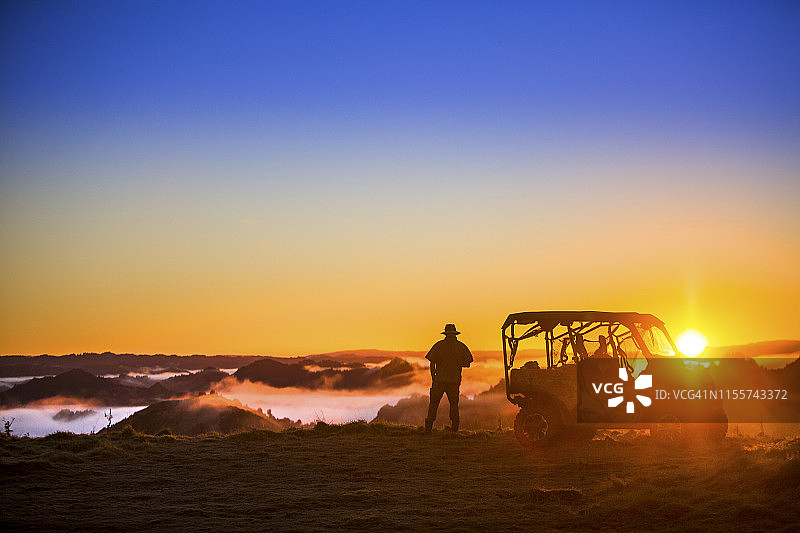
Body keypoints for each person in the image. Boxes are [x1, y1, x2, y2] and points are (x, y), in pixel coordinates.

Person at [424, 323, 473, 433]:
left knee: (433, 404)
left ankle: (428, 430)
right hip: (454, 381)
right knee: (454, 405)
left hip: (439, 381)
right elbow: (468, 363)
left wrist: (434, 377)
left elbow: (432, 363)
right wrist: (456, 363)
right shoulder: (461, 346)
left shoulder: (438, 345)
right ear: (455, 334)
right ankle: (454, 430)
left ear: (445, 334)